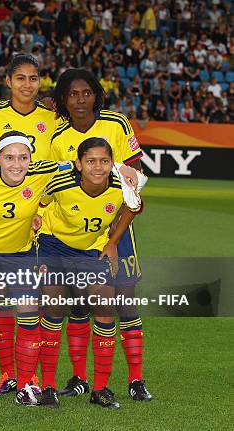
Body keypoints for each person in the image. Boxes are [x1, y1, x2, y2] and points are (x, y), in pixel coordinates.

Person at [50, 68, 152, 402]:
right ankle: (80, 378)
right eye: (73, 94)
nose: (81, 100)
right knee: (80, 305)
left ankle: (136, 380)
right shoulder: (58, 138)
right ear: (63, 100)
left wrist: (128, 188)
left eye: (87, 93)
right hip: (77, 236)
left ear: (97, 94)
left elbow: (137, 174)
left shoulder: (117, 123)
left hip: (116, 228)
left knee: (124, 302)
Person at [37, 138, 144, 409]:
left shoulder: (121, 186)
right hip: (55, 248)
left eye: (104, 161)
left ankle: (100, 388)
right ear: (79, 163)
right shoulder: (61, 183)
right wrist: (35, 221)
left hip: (91, 253)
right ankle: (48, 385)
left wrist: (112, 242)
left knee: (105, 308)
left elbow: (135, 207)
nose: (98, 167)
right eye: (91, 161)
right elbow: (38, 202)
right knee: (54, 310)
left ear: (112, 163)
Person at [0, 54, 58, 395]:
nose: (28, 84)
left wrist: (43, 207)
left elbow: (59, 166)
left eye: (33, 78)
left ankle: (31, 376)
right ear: (8, 81)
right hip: (5, 217)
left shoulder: (53, 116)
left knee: (32, 303)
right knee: (1, 300)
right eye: (21, 78)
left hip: (42, 218)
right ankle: (7, 373)